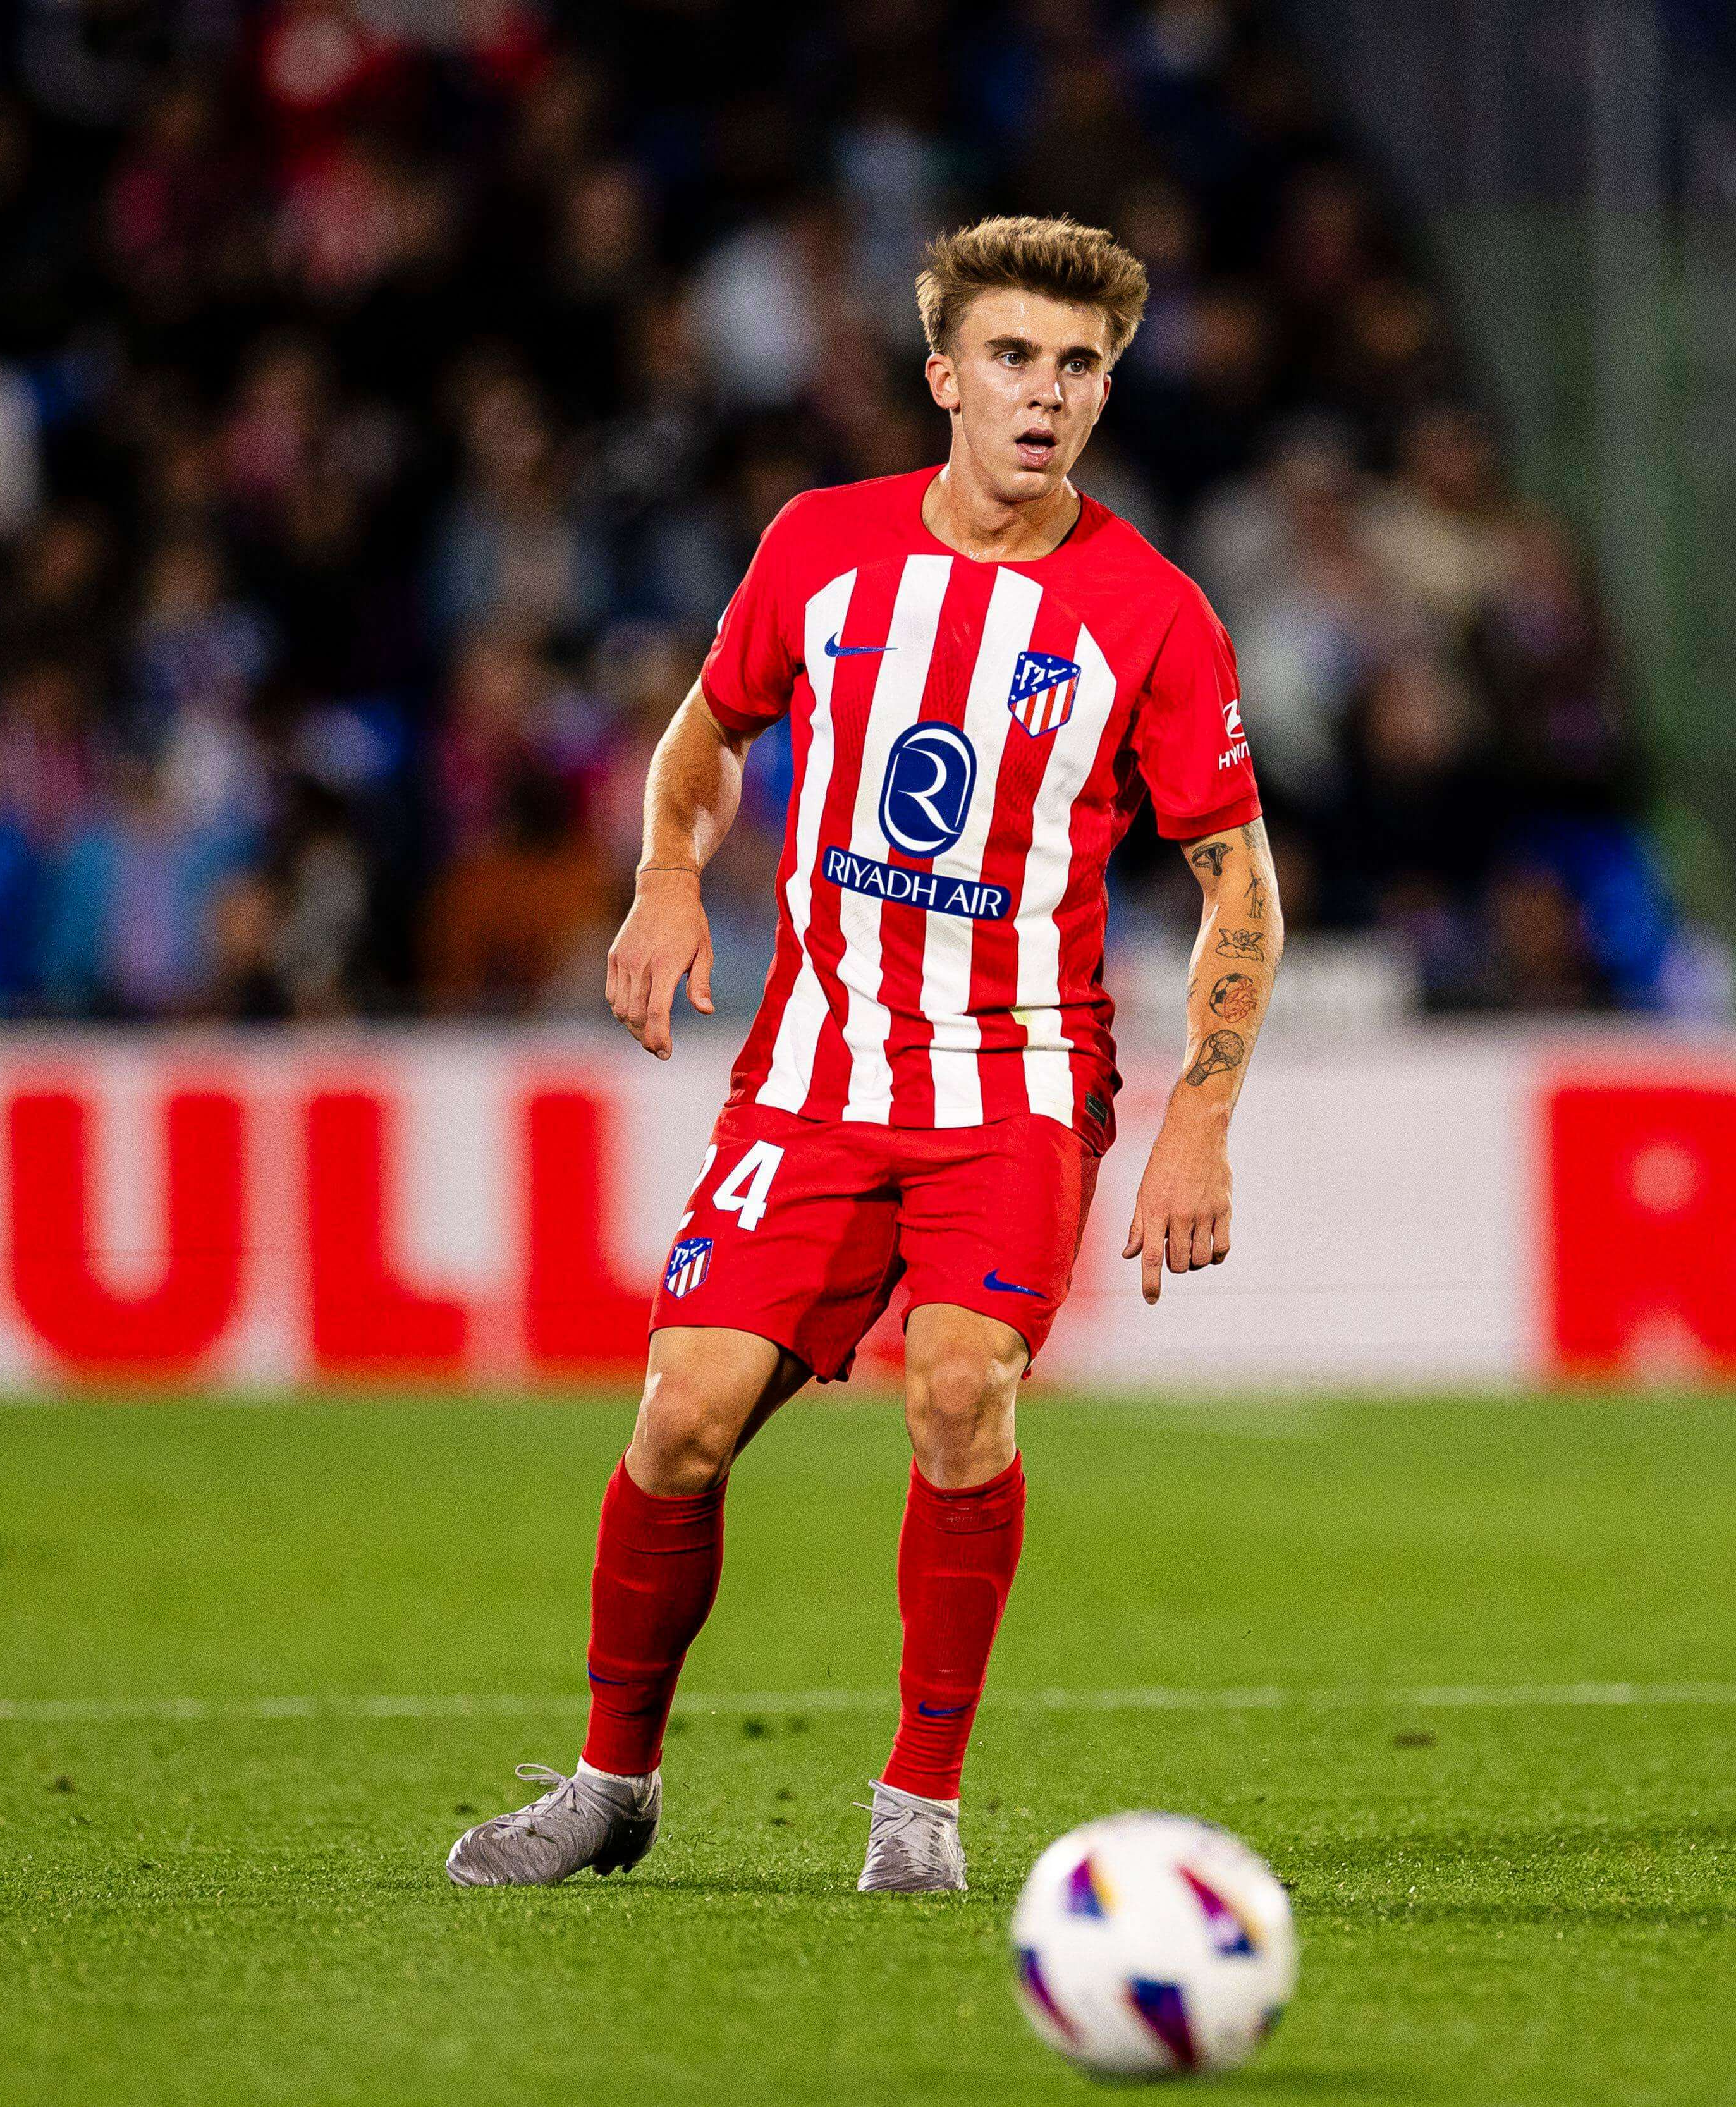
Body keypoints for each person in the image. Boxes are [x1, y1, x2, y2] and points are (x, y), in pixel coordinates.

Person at [446, 217, 1281, 1895]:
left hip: (1016, 1081)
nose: (1045, 394)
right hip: (815, 1077)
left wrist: (1200, 1119)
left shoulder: (1156, 615)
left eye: (1079, 367)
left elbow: (1237, 885)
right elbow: (705, 734)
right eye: (1013, 358)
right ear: (945, 378)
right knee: (679, 1424)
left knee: (961, 1392)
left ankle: (920, 1813)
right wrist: (666, 876)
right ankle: (612, 1785)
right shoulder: (822, 547)